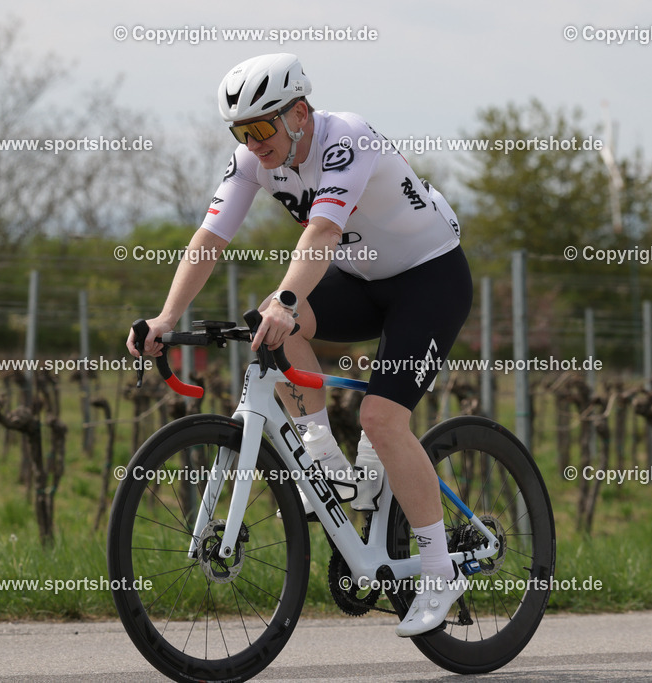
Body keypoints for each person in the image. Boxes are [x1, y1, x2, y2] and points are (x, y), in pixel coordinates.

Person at [127, 53, 473, 637]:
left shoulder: (347, 139)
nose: (252, 142)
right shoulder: (251, 162)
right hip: (363, 278)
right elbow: (209, 237)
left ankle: (440, 569)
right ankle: (324, 456)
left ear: (300, 113)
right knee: (266, 323)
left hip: (429, 276)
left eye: (262, 127)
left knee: (382, 419)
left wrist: (289, 300)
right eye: (241, 131)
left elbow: (324, 230)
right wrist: (166, 317)